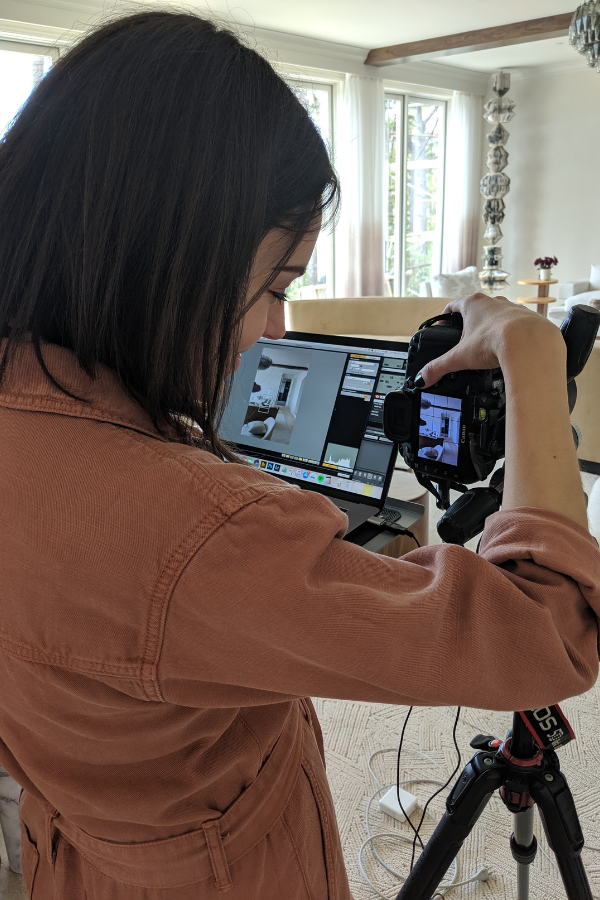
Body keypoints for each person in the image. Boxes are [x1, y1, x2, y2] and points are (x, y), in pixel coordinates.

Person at [0, 11, 598, 900]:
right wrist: (534, 354)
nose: (276, 331)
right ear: (165, 256)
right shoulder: (200, 530)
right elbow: (552, 632)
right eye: (276, 287)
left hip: (78, 850)